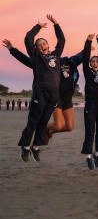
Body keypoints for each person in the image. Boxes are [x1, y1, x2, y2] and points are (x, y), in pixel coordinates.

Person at [3, 39, 83, 144]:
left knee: (69, 127)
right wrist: (12, 49)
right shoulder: (41, 62)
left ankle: (48, 132)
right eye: (40, 45)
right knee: (58, 125)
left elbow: (80, 56)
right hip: (55, 97)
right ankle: (42, 129)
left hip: (67, 98)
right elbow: (25, 59)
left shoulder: (68, 61)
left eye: (45, 44)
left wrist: (88, 46)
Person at [17, 14, 65, 162]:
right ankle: (25, 147)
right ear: (36, 49)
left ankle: (36, 147)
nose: (43, 45)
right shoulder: (36, 58)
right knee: (34, 120)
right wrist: (37, 27)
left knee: (44, 121)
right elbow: (27, 39)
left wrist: (56, 23)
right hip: (40, 92)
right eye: (39, 44)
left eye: (44, 43)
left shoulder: (56, 56)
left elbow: (62, 40)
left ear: (48, 45)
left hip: (54, 94)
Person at [81, 34, 98, 170]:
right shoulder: (87, 71)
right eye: (93, 61)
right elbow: (85, 58)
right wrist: (88, 41)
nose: (95, 63)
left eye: (97, 61)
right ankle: (88, 156)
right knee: (90, 130)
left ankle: (97, 153)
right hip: (90, 104)